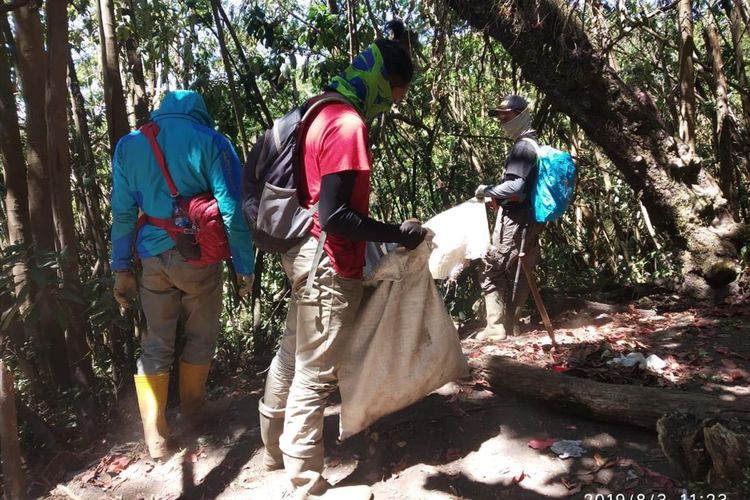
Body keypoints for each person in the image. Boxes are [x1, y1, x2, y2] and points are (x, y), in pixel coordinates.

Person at [259, 21, 427, 498]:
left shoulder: (317, 111)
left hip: (303, 256)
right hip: (329, 265)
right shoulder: (347, 124)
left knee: (291, 357)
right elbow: (335, 216)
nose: (396, 102)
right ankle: (306, 483)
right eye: (397, 91)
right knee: (316, 372)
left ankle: (273, 451)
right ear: (382, 80)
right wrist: (399, 234)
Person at [110, 90, 255, 459]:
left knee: (156, 343)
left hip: (150, 258)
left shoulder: (129, 146)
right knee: (200, 335)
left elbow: (123, 213)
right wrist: (244, 265)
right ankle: (194, 412)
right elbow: (232, 211)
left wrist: (120, 268)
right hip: (198, 259)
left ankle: (156, 441)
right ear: (199, 112)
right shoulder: (212, 141)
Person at [474, 95, 544, 341]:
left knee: (491, 268)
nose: (503, 120)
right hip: (531, 219)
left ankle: (495, 327)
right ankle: (512, 325)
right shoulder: (533, 144)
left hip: (515, 221)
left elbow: (516, 187)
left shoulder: (523, 147)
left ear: (522, 114)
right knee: (520, 269)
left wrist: (488, 191)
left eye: (508, 115)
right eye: (501, 115)